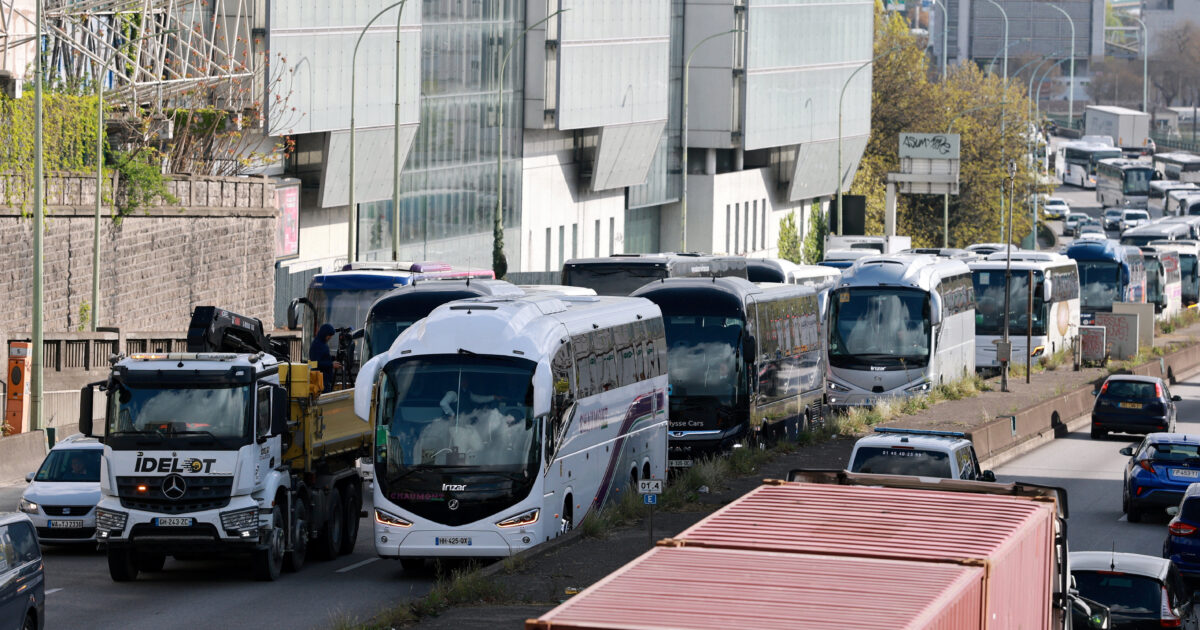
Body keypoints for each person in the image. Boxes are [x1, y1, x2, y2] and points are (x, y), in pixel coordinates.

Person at [309, 323, 342, 393]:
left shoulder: (322, 343)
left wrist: (333, 358)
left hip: (325, 380)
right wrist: (331, 364)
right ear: (324, 334)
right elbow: (315, 363)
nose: (330, 337)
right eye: (329, 335)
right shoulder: (317, 345)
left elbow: (324, 357)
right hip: (320, 381)